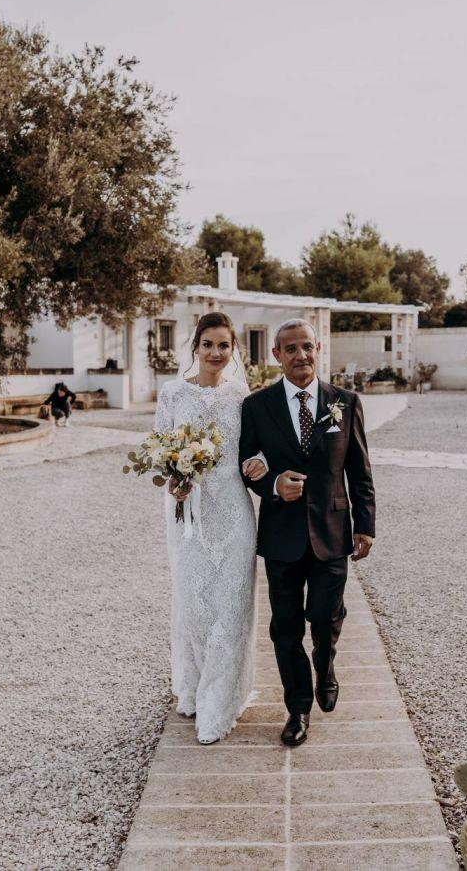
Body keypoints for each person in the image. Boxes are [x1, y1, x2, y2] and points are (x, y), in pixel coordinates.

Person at [238, 318, 376, 746]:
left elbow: (360, 470)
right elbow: (245, 464)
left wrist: (365, 525)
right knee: (285, 628)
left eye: (307, 347)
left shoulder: (345, 402)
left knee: (325, 615)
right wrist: (272, 485)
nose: (300, 355)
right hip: (281, 535)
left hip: (333, 530)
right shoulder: (256, 406)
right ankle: (297, 708)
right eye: (290, 349)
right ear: (276, 355)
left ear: (318, 349)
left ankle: (326, 663)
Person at [155, 312, 269, 745]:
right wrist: (173, 479)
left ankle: (218, 705)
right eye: (208, 345)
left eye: (224, 345)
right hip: (190, 515)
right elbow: (158, 451)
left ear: (234, 350)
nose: (216, 353)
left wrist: (262, 463)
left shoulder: (242, 396)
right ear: (195, 347)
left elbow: (259, 448)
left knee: (231, 607)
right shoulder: (172, 394)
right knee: (195, 606)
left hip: (234, 513)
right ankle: (196, 685)